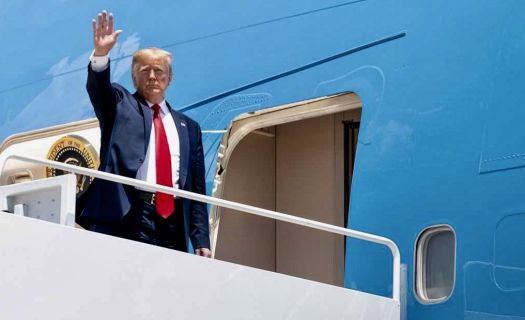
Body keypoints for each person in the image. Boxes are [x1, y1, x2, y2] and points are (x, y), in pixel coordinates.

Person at [80, 10, 211, 257]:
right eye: (145, 71)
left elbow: (195, 190)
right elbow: (99, 89)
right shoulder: (119, 104)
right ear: (134, 76)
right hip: (128, 212)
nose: (152, 76)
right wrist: (100, 55)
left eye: (159, 71)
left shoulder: (189, 127)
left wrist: (201, 237)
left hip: (172, 220)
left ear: (169, 78)